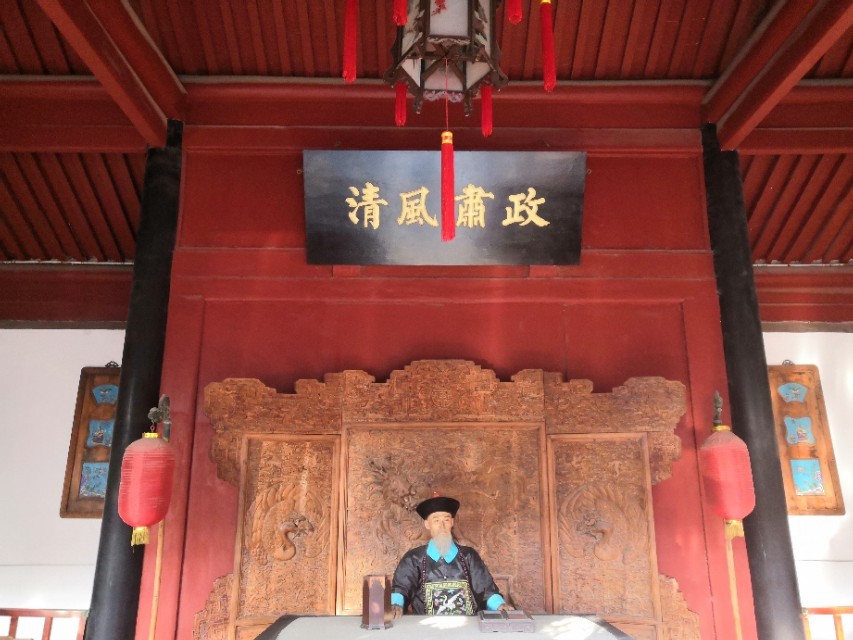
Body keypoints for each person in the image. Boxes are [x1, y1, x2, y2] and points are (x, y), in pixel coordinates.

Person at [390, 495, 514, 617]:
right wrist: (395, 604)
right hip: (426, 627)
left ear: (452, 522)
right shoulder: (413, 558)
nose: (442, 526)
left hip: (467, 626)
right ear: (427, 524)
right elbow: (401, 588)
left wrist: (499, 605)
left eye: (446, 520)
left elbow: (486, 589)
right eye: (436, 520)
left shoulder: (469, 556)